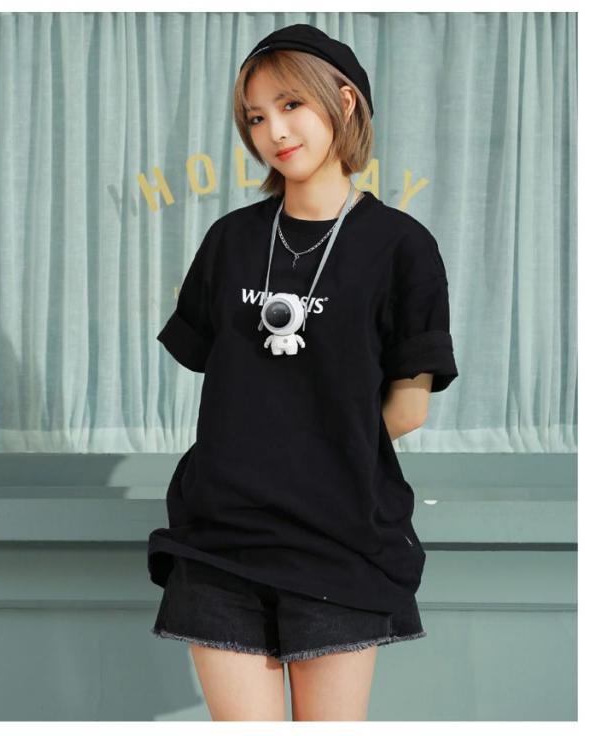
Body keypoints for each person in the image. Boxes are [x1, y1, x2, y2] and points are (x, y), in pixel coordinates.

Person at [148, 23, 459, 721]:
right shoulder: (231, 240)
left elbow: (409, 408)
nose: (274, 131)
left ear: (344, 102)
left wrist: (308, 453)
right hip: (221, 536)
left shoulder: (402, 248)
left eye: (291, 105)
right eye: (256, 117)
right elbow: (229, 379)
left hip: (338, 538)